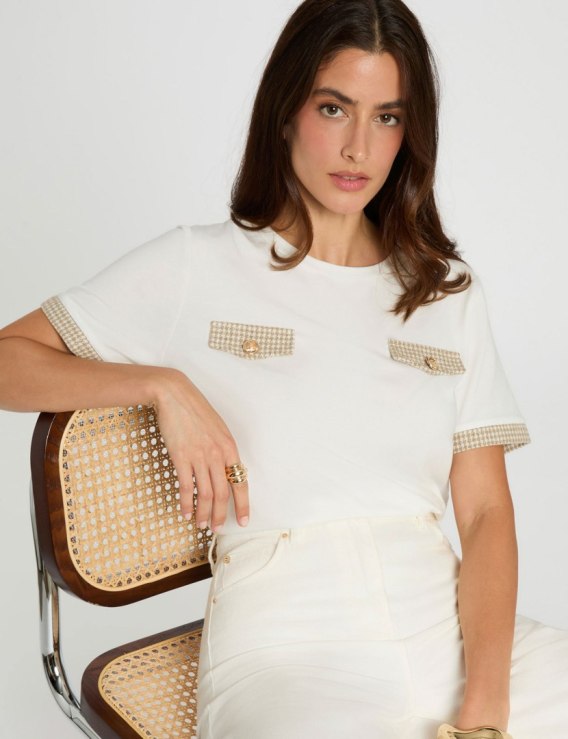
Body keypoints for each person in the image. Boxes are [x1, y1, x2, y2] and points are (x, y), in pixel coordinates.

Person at [1, 0, 567, 737]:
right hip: (287, 645)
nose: (358, 147)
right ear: (286, 112)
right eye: (334, 108)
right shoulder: (198, 266)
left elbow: (486, 513)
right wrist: (159, 385)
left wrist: (486, 711)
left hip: (446, 624)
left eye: (387, 117)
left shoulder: (445, 293)